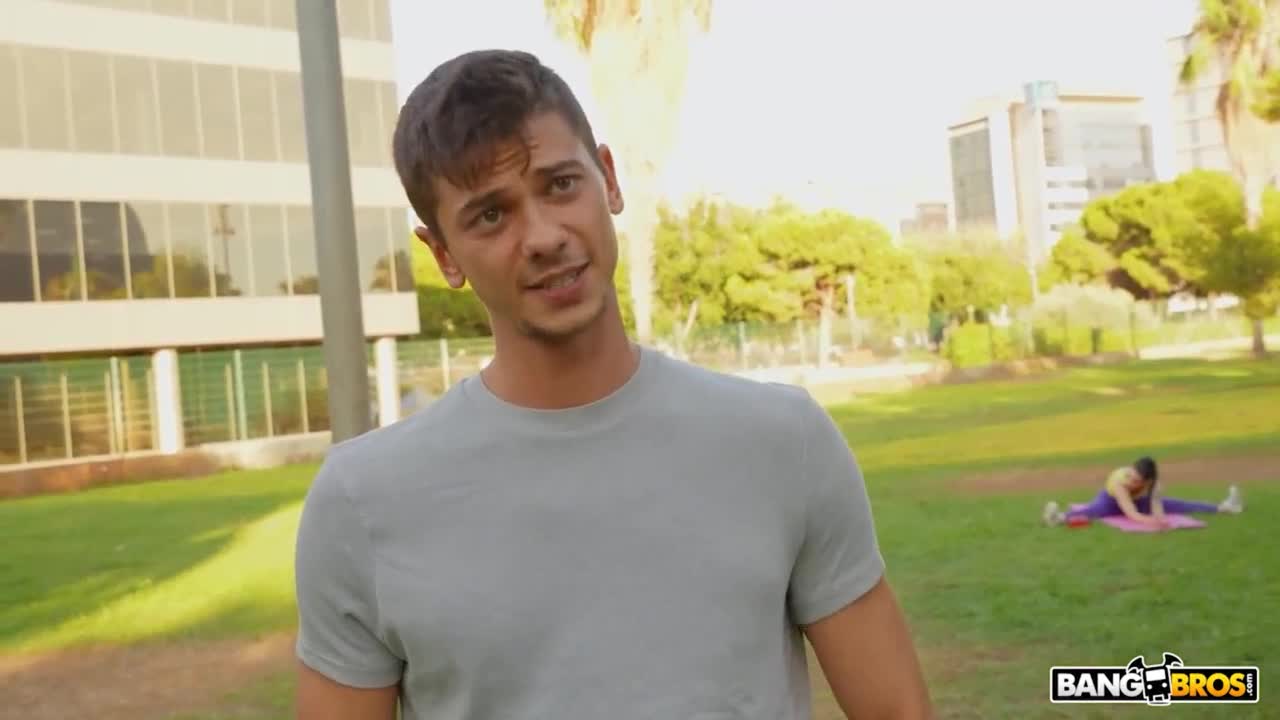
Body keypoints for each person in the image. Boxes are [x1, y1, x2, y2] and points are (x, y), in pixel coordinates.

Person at [291, 49, 933, 720]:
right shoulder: (362, 503)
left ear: (609, 179)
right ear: (444, 254)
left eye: (560, 185)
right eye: (491, 216)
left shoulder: (782, 442)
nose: (543, 237)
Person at [1042, 456, 1243, 529]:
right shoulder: (1120, 482)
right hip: (1112, 500)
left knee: (1177, 504)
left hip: (1138, 501)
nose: (1132, 481)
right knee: (1094, 511)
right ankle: (1058, 517)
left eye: (1137, 480)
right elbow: (1130, 514)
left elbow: (1156, 505)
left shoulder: (1154, 484)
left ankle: (1225, 507)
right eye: (1132, 476)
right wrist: (1151, 522)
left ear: (1147, 480)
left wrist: (1161, 519)